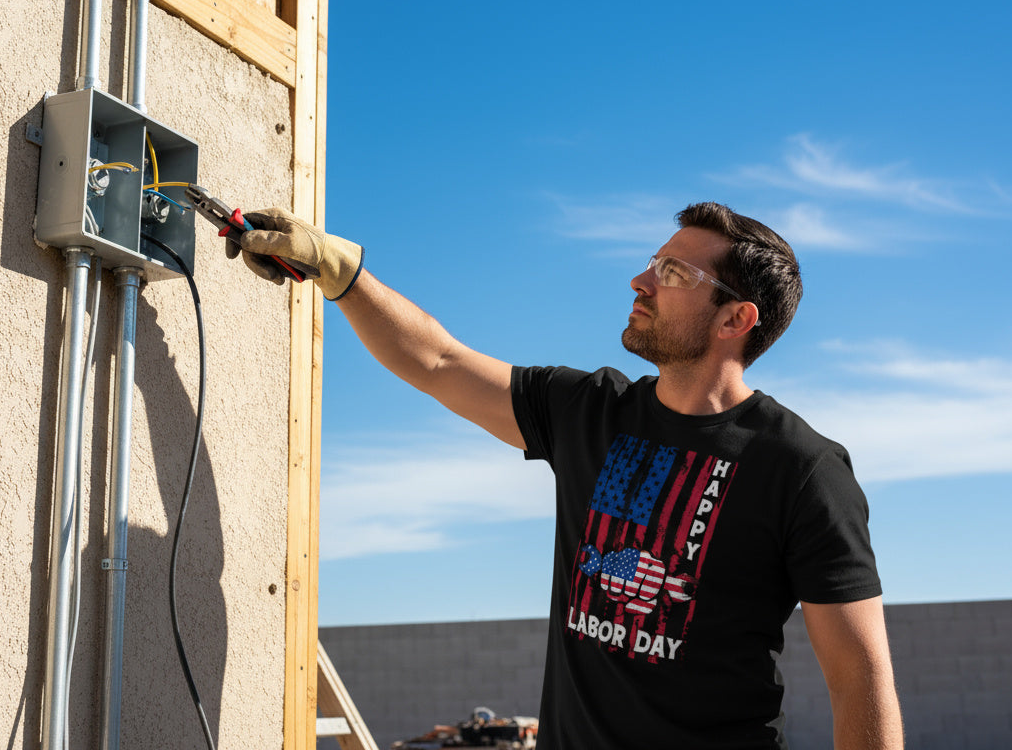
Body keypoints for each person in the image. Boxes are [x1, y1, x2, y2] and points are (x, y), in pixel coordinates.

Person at [228, 201, 904, 750]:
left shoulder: (801, 468)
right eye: (652, 264)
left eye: (673, 273)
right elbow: (438, 361)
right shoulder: (589, 411)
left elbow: (859, 678)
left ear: (736, 318)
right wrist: (341, 273)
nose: (641, 282)